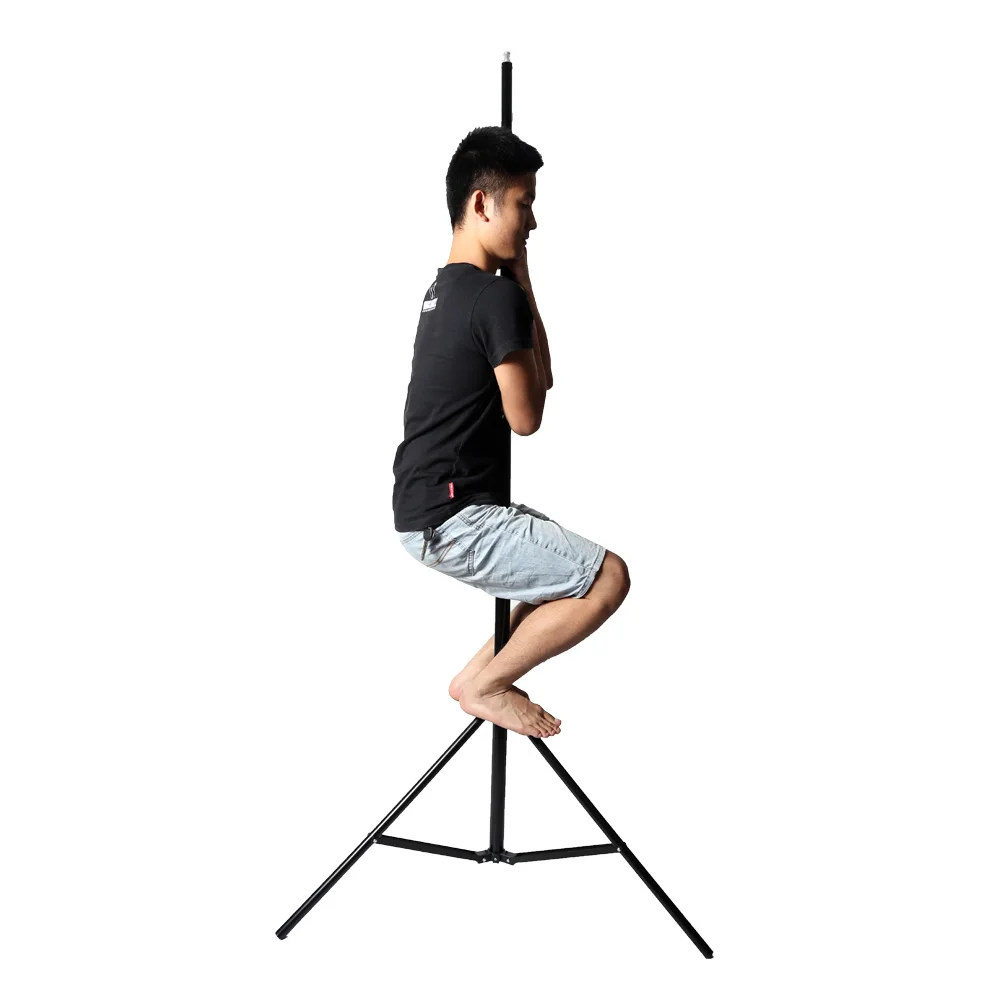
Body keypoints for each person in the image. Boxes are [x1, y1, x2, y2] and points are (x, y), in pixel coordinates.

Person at [392, 126, 630, 739]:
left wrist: (518, 283)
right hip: (457, 518)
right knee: (607, 577)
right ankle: (489, 686)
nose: (533, 222)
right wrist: (518, 289)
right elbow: (527, 418)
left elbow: (540, 379)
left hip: (425, 512)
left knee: (564, 575)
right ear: (482, 203)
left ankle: (474, 679)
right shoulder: (493, 299)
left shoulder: (443, 291)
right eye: (524, 203)